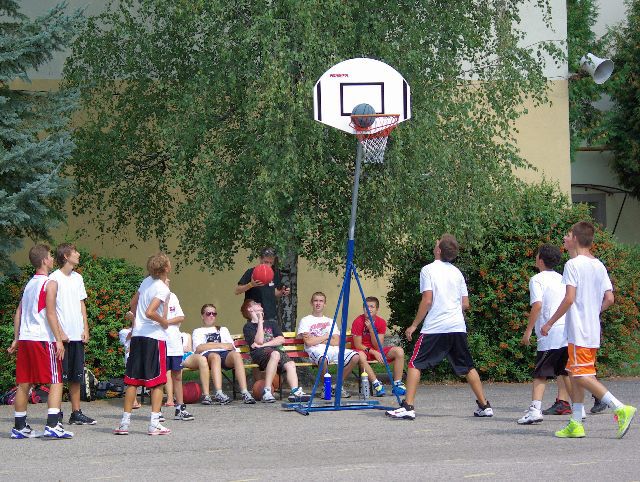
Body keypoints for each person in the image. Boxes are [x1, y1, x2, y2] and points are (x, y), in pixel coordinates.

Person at [541, 222, 636, 438]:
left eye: (568, 234)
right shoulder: (599, 265)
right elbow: (609, 298)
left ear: (575, 238)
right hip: (592, 330)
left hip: (579, 331)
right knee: (575, 374)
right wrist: (593, 312)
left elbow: (569, 298)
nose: (565, 238)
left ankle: (620, 407)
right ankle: (576, 422)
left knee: (579, 374)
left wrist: (549, 322)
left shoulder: (572, 265)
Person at [386, 234, 493, 420]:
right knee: (467, 367)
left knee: (415, 363)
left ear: (438, 250)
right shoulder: (457, 272)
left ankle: (408, 407)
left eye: (437, 243)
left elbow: (427, 300)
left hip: (436, 327)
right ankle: (485, 406)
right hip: (457, 326)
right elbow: (465, 304)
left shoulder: (428, 270)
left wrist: (414, 325)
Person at [7, 244, 73, 439]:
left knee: (24, 383)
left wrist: (16, 338)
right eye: (50, 256)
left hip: (26, 339)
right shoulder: (50, 283)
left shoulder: (29, 285)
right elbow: (51, 313)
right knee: (56, 380)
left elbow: (19, 312)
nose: (52, 259)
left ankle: (19, 427)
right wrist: (59, 339)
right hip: (42, 338)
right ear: (44, 260)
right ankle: (52, 425)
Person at [114, 252, 172, 436]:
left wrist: (135, 323)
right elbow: (150, 312)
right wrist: (164, 322)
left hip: (138, 336)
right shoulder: (162, 288)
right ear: (166, 268)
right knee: (158, 381)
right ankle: (154, 423)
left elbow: (133, 302)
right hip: (154, 337)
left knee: (133, 381)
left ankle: (124, 423)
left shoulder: (146, 282)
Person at [518, 243, 573, 424]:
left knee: (540, 373)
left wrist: (528, 332)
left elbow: (537, 305)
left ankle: (535, 410)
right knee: (564, 371)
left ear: (540, 260)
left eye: (537, 255)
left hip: (549, 334)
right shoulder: (562, 278)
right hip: (565, 331)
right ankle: (578, 408)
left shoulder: (537, 279)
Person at [48, 243, 96, 426]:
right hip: (62, 338)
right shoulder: (54, 278)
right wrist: (60, 332)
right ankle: (56, 414)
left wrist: (86, 328)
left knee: (76, 376)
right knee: (59, 377)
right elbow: (50, 308)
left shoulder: (78, 278)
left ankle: (76, 413)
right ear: (66, 256)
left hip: (77, 335)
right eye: (75, 252)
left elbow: (81, 304)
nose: (78, 254)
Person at [242, 299, 310, 403]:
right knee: (275, 354)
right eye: (255, 303)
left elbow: (281, 339)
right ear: (250, 309)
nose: (259, 304)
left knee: (290, 364)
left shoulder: (272, 324)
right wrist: (260, 321)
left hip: (274, 351)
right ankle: (267, 391)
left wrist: (264, 344)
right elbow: (259, 340)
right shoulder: (248, 327)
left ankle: (295, 392)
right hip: (259, 354)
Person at [297, 292, 360, 399]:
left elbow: (337, 341)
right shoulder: (305, 320)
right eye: (316, 301)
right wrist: (327, 336)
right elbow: (309, 342)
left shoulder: (330, 321)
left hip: (333, 349)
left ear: (324, 304)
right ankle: (326, 387)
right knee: (323, 359)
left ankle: (337, 386)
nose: (318, 303)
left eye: (321, 301)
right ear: (311, 303)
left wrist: (317, 339)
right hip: (316, 350)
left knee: (356, 356)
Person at [192, 304, 256, 405]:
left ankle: (245, 392)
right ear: (202, 316)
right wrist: (220, 345)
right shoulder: (198, 331)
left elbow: (230, 346)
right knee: (215, 356)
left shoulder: (223, 329)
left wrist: (210, 345)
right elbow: (199, 348)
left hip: (224, 355)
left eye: (214, 314)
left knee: (236, 355)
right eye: (208, 313)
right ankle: (219, 392)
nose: (212, 316)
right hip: (208, 356)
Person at [351, 296, 406, 397]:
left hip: (376, 350)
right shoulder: (358, 321)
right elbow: (358, 345)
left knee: (399, 351)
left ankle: (397, 384)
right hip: (361, 350)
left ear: (377, 309)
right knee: (361, 356)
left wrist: (372, 330)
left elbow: (378, 346)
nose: (368, 309)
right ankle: (377, 384)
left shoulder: (381, 322)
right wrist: (373, 352)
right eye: (366, 306)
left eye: (372, 307)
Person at [162, 279, 194, 421]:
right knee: (160, 377)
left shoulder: (173, 296)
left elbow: (180, 317)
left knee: (177, 375)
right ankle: (157, 411)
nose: (168, 280)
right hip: (160, 341)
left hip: (174, 342)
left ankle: (180, 408)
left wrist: (166, 322)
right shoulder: (153, 297)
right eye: (165, 279)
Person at [235, 247, 290, 325]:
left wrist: (282, 292)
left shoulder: (274, 274)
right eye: (266, 262)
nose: (268, 265)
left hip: (271, 316)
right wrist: (251, 284)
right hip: (254, 316)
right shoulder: (251, 272)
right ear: (260, 259)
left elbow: (274, 292)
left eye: (271, 263)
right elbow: (237, 290)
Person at [178, 332, 215, 405]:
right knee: (176, 365)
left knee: (202, 359)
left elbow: (188, 349)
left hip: (186, 356)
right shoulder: (165, 333)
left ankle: (206, 395)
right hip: (174, 357)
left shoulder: (186, 335)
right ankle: (177, 396)